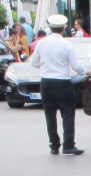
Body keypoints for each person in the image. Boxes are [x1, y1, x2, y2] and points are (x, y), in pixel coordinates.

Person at [29, 14, 87, 155]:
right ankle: (68, 144)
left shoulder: (42, 43)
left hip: (46, 81)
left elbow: (33, 62)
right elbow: (76, 65)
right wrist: (87, 72)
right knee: (67, 113)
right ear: (64, 27)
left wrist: (45, 67)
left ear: (50, 27)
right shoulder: (66, 44)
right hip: (62, 81)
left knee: (50, 114)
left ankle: (54, 145)